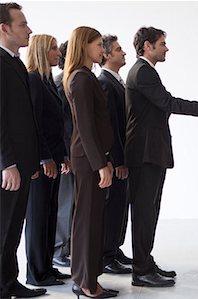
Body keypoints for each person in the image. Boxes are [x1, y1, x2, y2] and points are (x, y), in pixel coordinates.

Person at [125, 26, 198, 288]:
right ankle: (141, 270)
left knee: (151, 210)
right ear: (147, 46)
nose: (166, 48)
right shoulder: (143, 72)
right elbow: (169, 103)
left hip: (151, 152)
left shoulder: (145, 72)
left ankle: (145, 261)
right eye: (162, 43)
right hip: (145, 153)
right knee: (145, 212)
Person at [63, 26, 116, 298]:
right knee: (87, 221)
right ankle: (86, 283)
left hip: (89, 158)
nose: (102, 50)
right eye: (98, 45)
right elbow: (85, 126)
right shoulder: (81, 78)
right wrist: (100, 164)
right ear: (85, 46)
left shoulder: (83, 76)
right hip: (88, 160)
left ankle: (88, 279)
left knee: (91, 220)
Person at [0, 3, 45, 298]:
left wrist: (33, 159)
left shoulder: (16, 63)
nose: (29, 30)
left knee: (15, 226)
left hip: (24, 161)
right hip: (9, 164)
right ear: (4, 28)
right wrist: (8, 162)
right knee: (3, 228)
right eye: (22, 24)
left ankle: (9, 281)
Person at [24, 34, 71, 287]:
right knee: (38, 215)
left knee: (50, 214)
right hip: (43, 162)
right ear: (42, 51)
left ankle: (47, 268)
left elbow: (57, 126)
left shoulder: (47, 81)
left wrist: (61, 156)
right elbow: (35, 124)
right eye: (53, 48)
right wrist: (45, 158)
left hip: (54, 158)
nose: (58, 53)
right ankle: (36, 273)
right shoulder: (33, 79)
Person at [98, 34, 132, 275]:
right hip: (117, 159)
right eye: (119, 50)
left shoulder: (118, 81)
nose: (124, 53)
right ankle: (107, 255)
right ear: (107, 54)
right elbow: (110, 126)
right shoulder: (105, 83)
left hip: (125, 156)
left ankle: (115, 248)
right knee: (113, 207)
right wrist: (117, 160)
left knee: (121, 206)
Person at [53, 40, 74, 268]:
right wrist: (64, 156)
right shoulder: (62, 84)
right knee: (65, 202)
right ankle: (58, 250)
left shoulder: (68, 82)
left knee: (71, 202)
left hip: (72, 153)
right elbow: (61, 124)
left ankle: (65, 248)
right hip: (67, 155)